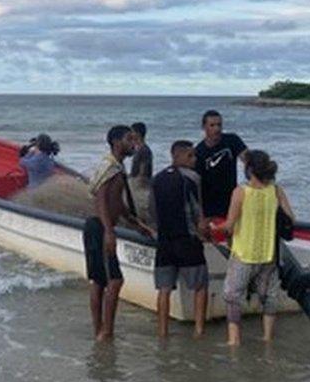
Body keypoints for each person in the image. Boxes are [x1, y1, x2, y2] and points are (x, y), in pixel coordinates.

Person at [196, 109, 310, 322]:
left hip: (237, 203)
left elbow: (252, 163)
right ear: (204, 127)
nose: (217, 129)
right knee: (255, 247)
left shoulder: (232, 140)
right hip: (215, 211)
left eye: (219, 124)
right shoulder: (199, 152)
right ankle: (302, 291)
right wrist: (201, 218)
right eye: (212, 125)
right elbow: (198, 187)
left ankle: (304, 291)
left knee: (270, 238)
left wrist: (263, 187)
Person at [83, 125, 155, 342]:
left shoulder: (117, 168)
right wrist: (108, 232)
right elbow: (101, 200)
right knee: (113, 281)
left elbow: (117, 203)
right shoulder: (110, 168)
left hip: (100, 227)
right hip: (99, 227)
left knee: (100, 281)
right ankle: (105, 332)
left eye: (134, 139)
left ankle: (101, 331)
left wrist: (136, 223)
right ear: (116, 142)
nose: (133, 143)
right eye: (128, 139)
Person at [212, 150, 288, 346]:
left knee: (232, 295)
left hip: (244, 253)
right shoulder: (276, 190)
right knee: (269, 297)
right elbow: (291, 218)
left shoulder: (241, 192)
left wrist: (213, 227)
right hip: (268, 253)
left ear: (250, 170)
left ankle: (234, 339)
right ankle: (267, 337)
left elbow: (229, 225)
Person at [150, 140, 209, 338]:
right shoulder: (192, 178)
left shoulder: (156, 179)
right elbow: (197, 212)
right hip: (187, 240)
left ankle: (162, 332)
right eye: (190, 156)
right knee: (200, 287)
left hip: (164, 243)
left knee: (164, 290)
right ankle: (199, 331)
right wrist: (204, 232)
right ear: (177, 157)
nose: (195, 159)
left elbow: (152, 211)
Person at [129, 122, 153, 187]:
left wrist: (139, 184)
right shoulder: (138, 148)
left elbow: (143, 169)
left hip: (140, 183)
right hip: (136, 180)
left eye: (132, 132)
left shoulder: (144, 150)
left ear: (138, 134)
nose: (130, 134)